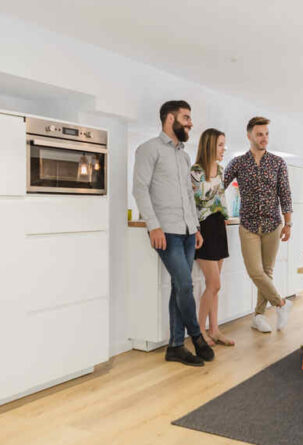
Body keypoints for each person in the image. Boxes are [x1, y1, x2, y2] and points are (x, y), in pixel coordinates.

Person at [132, 100, 214, 366]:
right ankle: (197, 337)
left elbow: (188, 196)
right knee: (186, 284)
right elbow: (140, 189)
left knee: (179, 287)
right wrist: (152, 225)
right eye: (186, 117)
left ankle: (175, 346)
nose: (190, 123)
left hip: (188, 231)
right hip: (165, 231)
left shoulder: (184, 155)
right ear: (170, 119)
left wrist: (196, 227)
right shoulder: (148, 149)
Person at [224, 116, 293, 333]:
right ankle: (281, 304)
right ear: (249, 136)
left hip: (273, 224)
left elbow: (285, 194)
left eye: (266, 134)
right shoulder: (238, 162)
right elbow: (220, 185)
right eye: (259, 134)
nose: (264, 138)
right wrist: (218, 210)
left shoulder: (277, 162)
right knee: (255, 271)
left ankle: (259, 316)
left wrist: (288, 223)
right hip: (248, 225)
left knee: (267, 271)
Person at [191, 128, 235, 347]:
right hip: (203, 228)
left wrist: (225, 217)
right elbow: (192, 204)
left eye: (224, 145)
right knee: (213, 284)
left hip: (218, 225)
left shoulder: (219, 169)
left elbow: (221, 197)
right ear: (209, 145)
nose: (223, 149)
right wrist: (195, 230)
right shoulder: (195, 171)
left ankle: (214, 330)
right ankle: (199, 332)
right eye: (220, 145)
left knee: (216, 285)